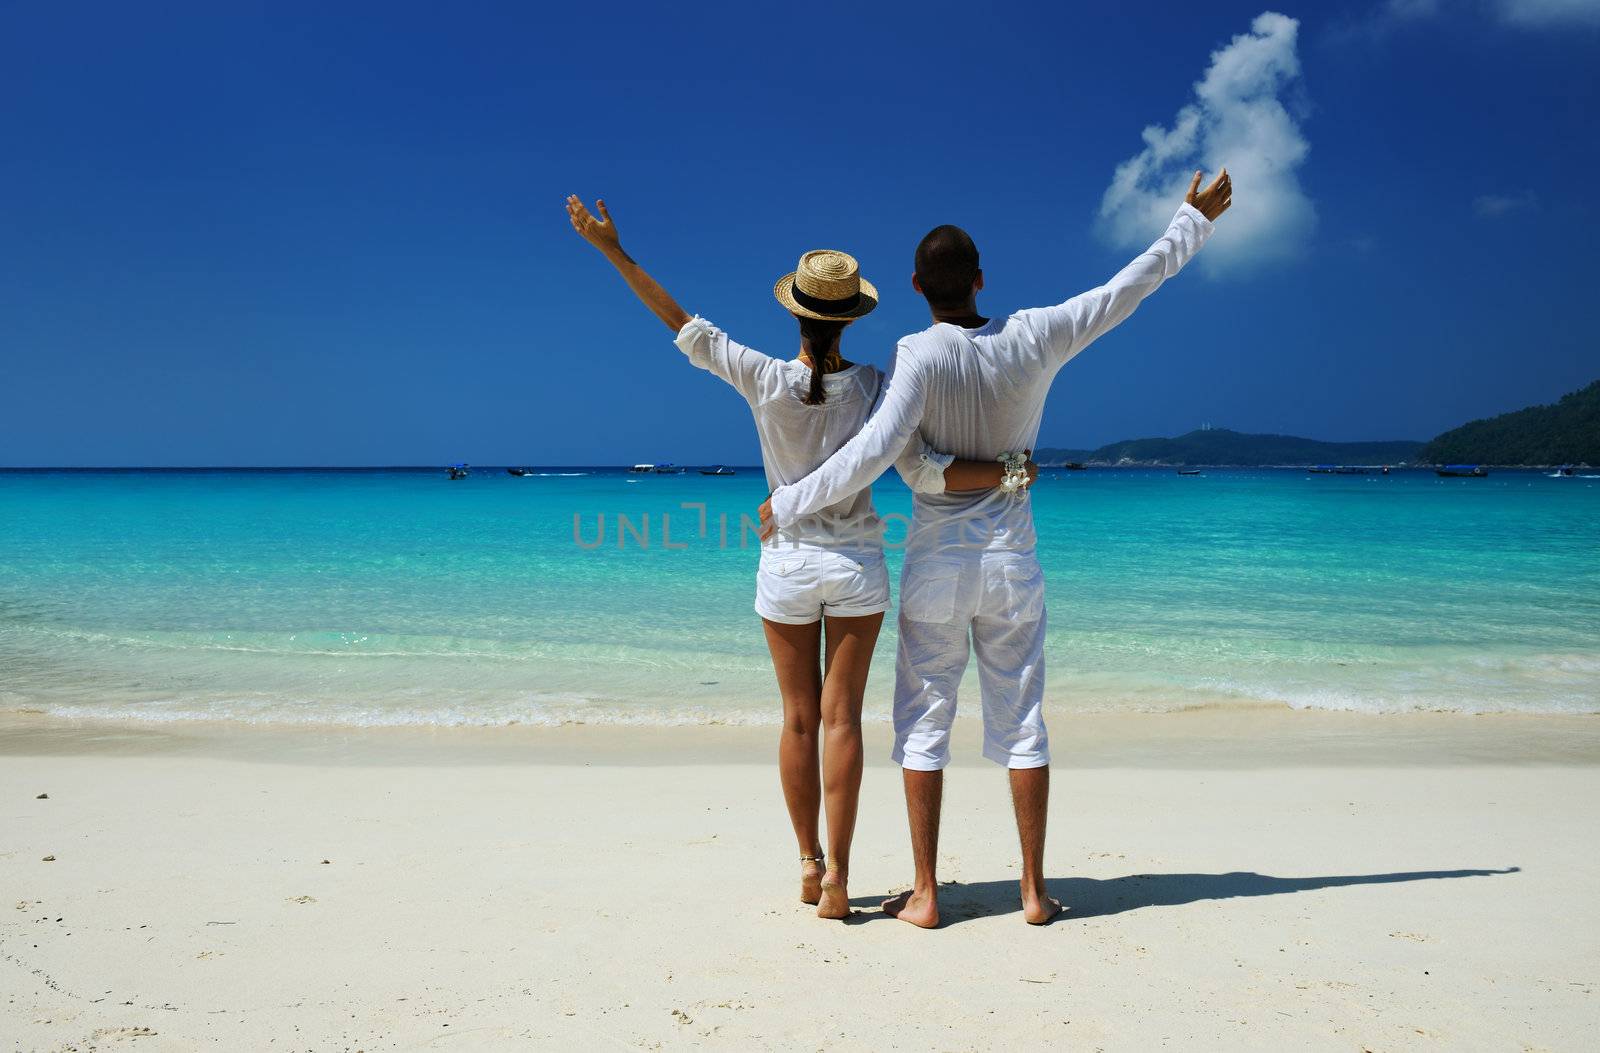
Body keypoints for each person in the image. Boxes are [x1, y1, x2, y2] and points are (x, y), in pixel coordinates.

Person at [758, 170, 1233, 928]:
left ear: (916, 285)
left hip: (937, 568)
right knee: (1023, 723)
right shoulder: (1037, 333)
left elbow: (880, 456)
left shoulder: (916, 354)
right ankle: (1036, 891)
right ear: (980, 280)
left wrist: (786, 501)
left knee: (923, 724)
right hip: (1013, 562)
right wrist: (1189, 223)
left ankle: (925, 892)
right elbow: (1125, 290)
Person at [565, 195, 1036, 919]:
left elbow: (680, 321)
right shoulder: (879, 384)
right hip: (857, 569)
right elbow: (925, 457)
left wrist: (614, 252)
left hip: (786, 567)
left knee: (798, 721)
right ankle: (843, 880)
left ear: (796, 312)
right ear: (852, 316)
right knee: (843, 718)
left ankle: (810, 865)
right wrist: (1007, 465)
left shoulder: (761, 377)